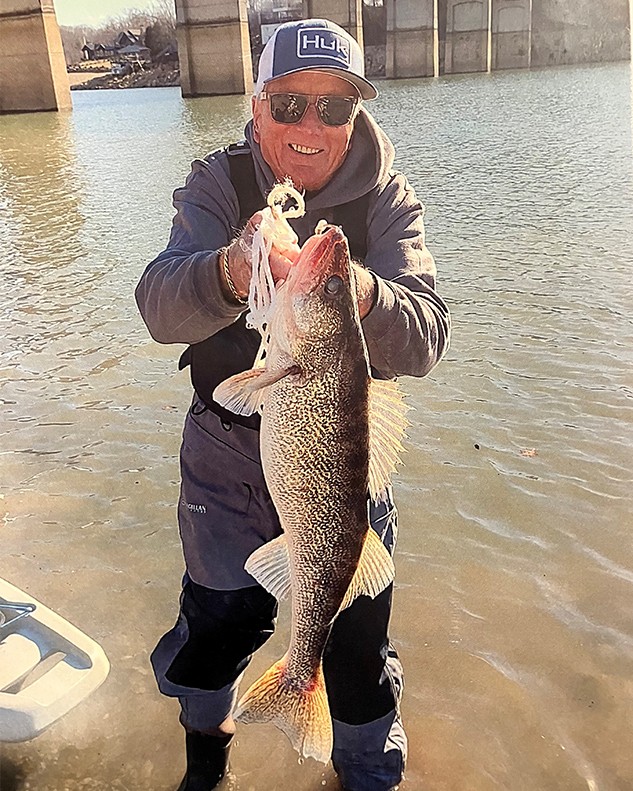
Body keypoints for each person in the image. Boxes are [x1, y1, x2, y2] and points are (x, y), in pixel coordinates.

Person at [135, 18, 450, 791]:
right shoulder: (216, 183)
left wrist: (355, 290)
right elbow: (159, 308)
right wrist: (232, 270)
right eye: (288, 104)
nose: (310, 124)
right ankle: (207, 757)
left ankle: (367, 772)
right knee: (216, 628)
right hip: (223, 464)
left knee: (357, 647)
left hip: (343, 471)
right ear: (257, 105)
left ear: (356, 115)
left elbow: (424, 340)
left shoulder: (388, 199)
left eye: (334, 107)